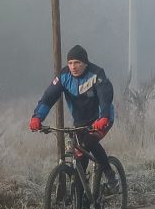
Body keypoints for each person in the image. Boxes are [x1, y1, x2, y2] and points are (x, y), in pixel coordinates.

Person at [28, 45, 115, 187]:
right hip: (80, 121)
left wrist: (104, 116)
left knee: (90, 142)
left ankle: (109, 174)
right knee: (80, 159)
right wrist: (37, 117)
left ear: (85, 63)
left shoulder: (96, 74)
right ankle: (81, 202)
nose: (73, 67)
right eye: (70, 63)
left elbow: (105, 96)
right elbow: (48, 98)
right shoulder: (63, 76)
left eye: (77, 63)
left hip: (101, 118)